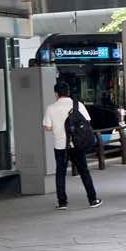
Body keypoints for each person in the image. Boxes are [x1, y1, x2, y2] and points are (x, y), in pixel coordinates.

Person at [43, 79, 103, 210]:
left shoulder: (51, 108)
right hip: (76, 144)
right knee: (84, 171)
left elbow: (47, 127)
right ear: (68, 92)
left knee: (60, 173)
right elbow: (87, 121)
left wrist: (57, 128)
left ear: (56, 93)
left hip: (60, 145)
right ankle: (93, 199)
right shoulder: (78, 105)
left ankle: (62, 202)